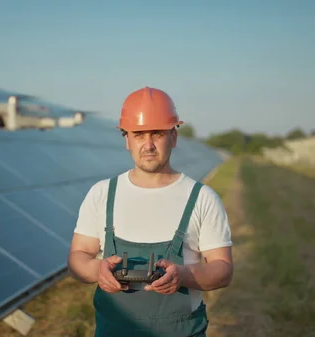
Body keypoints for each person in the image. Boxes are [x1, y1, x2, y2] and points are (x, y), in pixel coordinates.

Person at [67, 86, 233, 337]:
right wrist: (97, 270)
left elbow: (222, 270)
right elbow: (78, 257)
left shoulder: (201, 198)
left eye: (157, 134)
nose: (148, 145)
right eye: (139, 134)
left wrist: (184, 275)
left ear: (174, 137)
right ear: (127, 139)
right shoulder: (102, 195)